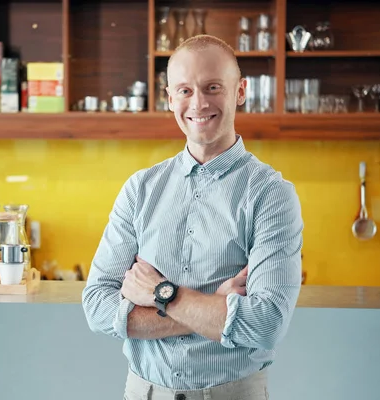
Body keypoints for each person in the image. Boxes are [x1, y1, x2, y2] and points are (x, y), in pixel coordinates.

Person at [82, 34, 303, 400]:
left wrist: (160, 293)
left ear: (240, 91)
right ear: (170, 98)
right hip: (143, 392)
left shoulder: (271, 194)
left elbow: (265, 324)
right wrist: (208, 306)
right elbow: (97, 307)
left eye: (212, 87)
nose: (198, 103)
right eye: (184, 90)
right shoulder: (140, 189)